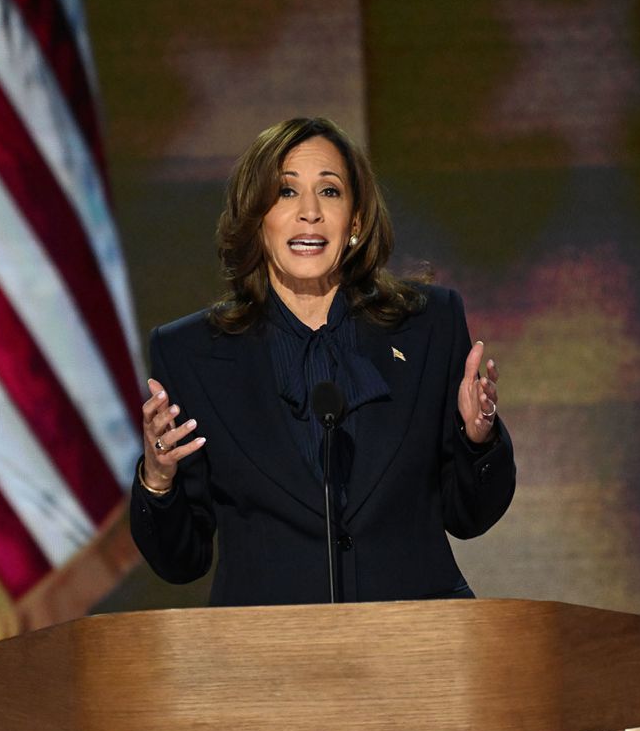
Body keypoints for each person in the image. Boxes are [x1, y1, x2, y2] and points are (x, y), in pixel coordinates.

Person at [130, 118, 515, 606]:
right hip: (269, 655)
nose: (309, 213)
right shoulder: (190, 351)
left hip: (418, 645)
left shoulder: (428, 325)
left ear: (355, 221)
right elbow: (181, 561)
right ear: (256, 217)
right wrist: (159, 478)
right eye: (285, 192)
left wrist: (477, 440)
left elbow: (469, 516)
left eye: (330, 192)